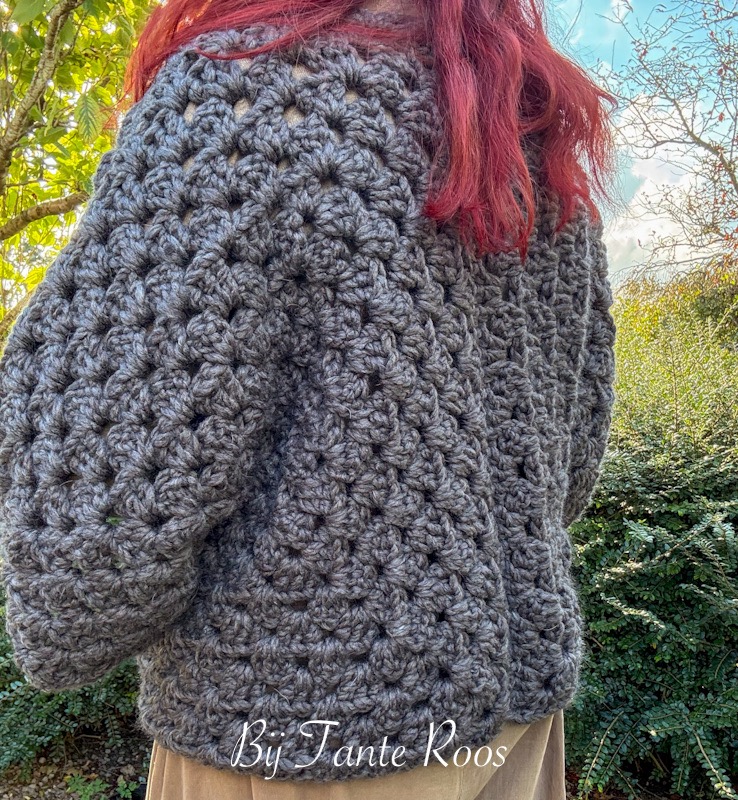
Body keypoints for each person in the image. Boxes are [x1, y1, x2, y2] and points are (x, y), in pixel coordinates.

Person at [0, 0, 618, 797]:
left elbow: (88, 519)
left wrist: (72, 611)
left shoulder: (244, 92)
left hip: (296, 726)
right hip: (516, 729)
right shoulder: (531, 131)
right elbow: (571, 463)